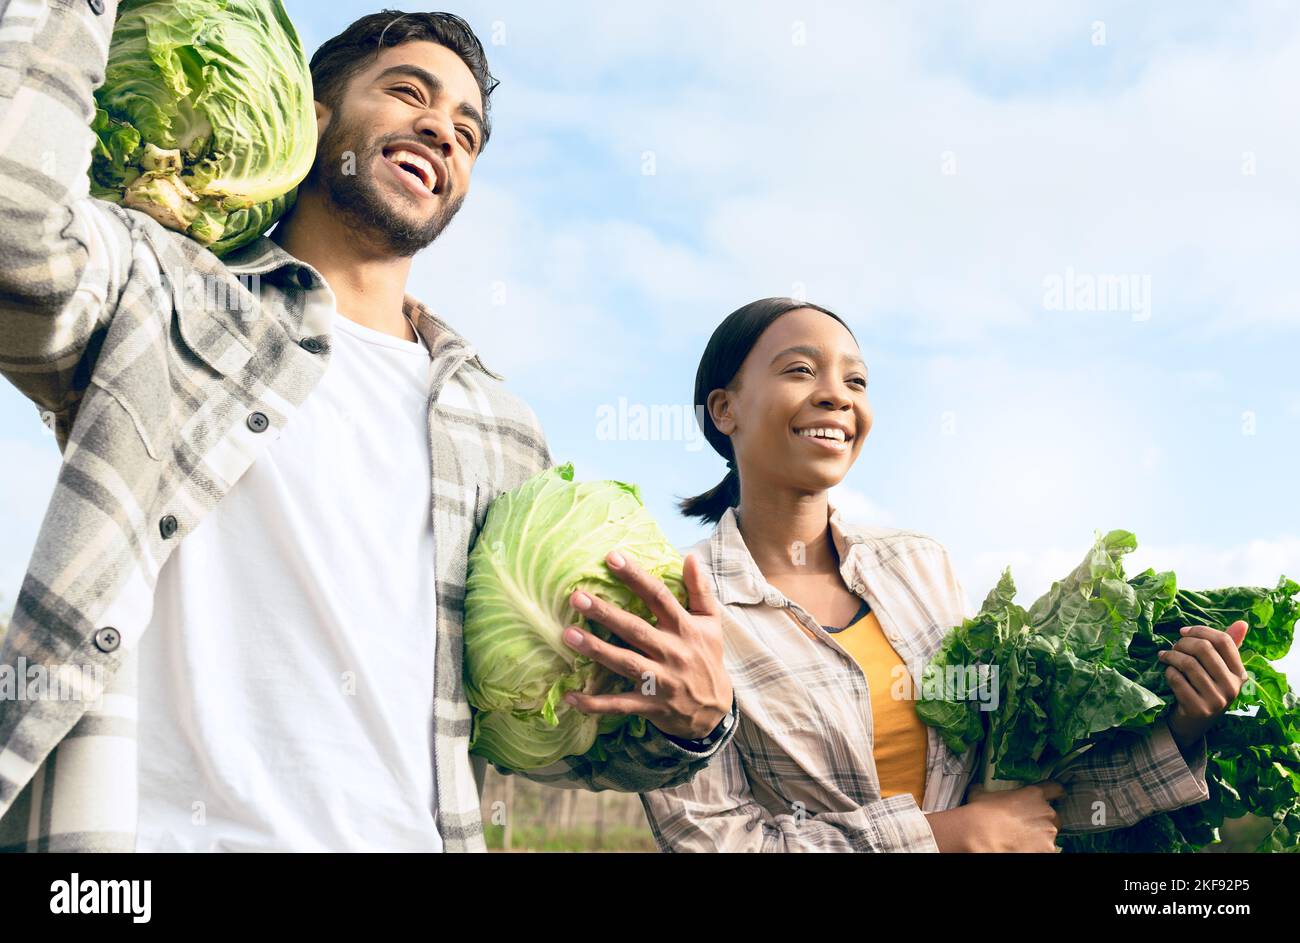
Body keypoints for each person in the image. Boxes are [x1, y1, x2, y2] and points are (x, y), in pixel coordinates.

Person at [0, 5, 734, 852]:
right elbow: (18, 235)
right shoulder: (167, 296)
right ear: (312, 119)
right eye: (408, 92)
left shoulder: (500, 428)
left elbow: (547, 724)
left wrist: (693, 721)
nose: (443, 130)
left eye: (468, 130)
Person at [638, 297, 1247, 851]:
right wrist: (946, 837)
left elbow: (1024, 796)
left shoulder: (920, 567)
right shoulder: (683, 613)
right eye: (800, 370)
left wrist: (1185, 723)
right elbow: (711, 840)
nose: (837, 395)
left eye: (856, 380)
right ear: (724, 409)